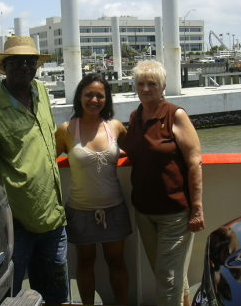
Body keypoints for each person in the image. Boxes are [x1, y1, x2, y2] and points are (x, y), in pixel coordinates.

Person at [0, 36, 68, 306]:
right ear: (5, 66)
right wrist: (3, 217)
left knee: (56, 293)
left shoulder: (42, 92)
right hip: (15, 226)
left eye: (30, 61)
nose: (24, 66)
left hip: (54, 218)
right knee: (10, 295)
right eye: (17, 61)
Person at [124, 60, 205, 306]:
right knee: (168, 275)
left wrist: (197, 207)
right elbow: (131, 149)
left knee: (167, 280)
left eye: (152, 84)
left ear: (163, 87)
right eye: (141, 83)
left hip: (175, 213)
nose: (146, 88)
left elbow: (194, 161)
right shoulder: (135, 117)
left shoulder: (175, 115)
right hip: (144, 212)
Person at [55, 73, 131, 305]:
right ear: (80, 97)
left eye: (100, 95)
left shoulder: (115, 127)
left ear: (107, 99)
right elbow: (47, 159)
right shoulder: (67, 130)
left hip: (114, 208)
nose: (94, 100)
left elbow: (136, 151)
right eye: (89, 95)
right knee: (85, 263)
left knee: (116, 262)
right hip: (80, 209)